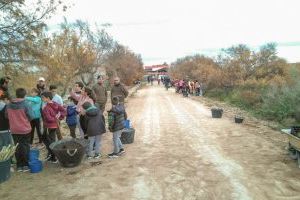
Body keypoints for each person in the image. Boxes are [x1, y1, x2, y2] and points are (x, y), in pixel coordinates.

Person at [6, 88, 34, 172]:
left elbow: (6, 116)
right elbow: (31, 116)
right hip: (25, 129)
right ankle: (25, 165)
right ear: (25, 95)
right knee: (25, 146)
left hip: (14, 129)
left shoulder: (9, 104)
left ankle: (19, 165)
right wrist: (25, 120)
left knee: (17, 146)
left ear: (16, 94)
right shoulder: (26, 104)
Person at [41, 91, 66, 163]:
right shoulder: (55, 104)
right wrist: (59, 117)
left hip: (49, 126)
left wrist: (57, 118)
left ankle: (54, 157)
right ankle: (51, 155)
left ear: (48, 98)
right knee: (52, 140)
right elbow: (63, 110)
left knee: (51, 142)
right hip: (55, 125)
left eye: (43, 98)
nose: (42, 99)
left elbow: (48, 118)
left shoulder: (46, 108)